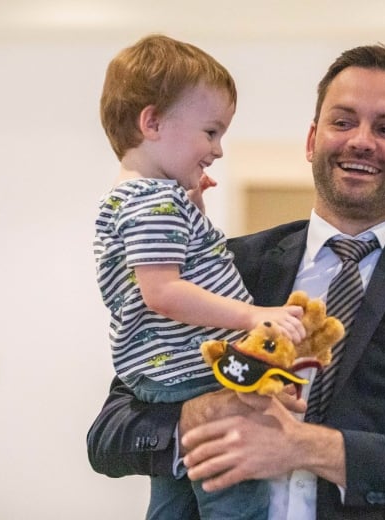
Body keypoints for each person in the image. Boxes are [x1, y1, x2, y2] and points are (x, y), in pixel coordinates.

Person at [88, 43, 385, 520]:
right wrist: (191, 419)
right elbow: (109, 434)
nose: (361, 140)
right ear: (312, 140)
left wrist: (300, 446)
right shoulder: (232, 263)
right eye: (342, 121)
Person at [93, 34, 306, 520]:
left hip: (161, 377)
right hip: (192, 376)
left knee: (176, 500)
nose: (219, 150)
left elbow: (174, 267)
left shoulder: (132, 200)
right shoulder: (155, 203)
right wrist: (255, 315)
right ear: (152, 123)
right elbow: (162, 293)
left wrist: (192, 211)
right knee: (239, 495)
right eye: (210, 132)